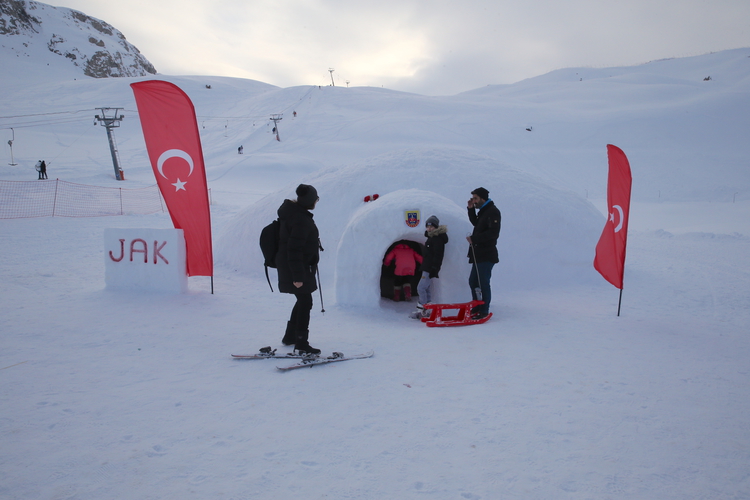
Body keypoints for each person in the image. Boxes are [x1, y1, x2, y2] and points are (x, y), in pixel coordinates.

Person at [276, 184, 322, 354]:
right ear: (310, 201)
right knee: (305, 301)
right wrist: (298, 276)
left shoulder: (295, 214)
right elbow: (294, 249)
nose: (317, 202)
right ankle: (301, 343)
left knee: (303, 300)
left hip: (297, 266)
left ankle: (291, 336)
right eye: (316, 199)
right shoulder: (300, 219)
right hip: (296, 267)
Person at [466, 187, 501, 319]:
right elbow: (476, 223)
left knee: (482, 282)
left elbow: (493, 233)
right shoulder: (484, 211)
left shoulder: (493, 212)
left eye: (475, 198)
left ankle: (484, 309)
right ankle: (477, 306)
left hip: (486, 254)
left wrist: (474, 239)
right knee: (473, 281)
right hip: (478, 254)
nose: (474, 201)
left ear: (483, 198)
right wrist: (470, 209)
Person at [416, 215, 448, 317]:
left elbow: (438, 255)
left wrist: (435, 268)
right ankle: (428, 310)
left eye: (431, 227)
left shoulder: (437, 239)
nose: (429, 229)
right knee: (426, 288)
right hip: (427, 266)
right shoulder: (431, 237)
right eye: (428, 226)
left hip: (429, 268)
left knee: (421, 288)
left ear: (436, 227)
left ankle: (422, 310)